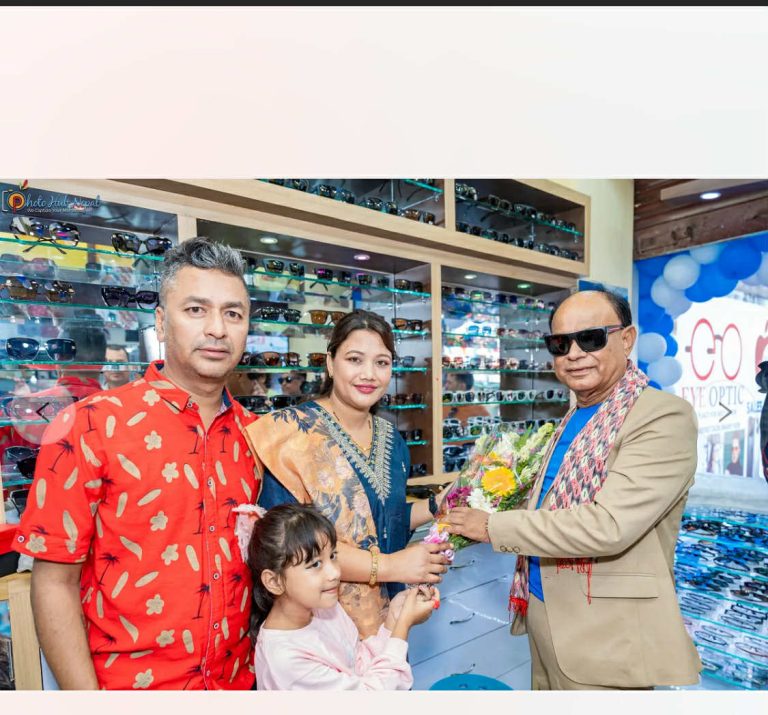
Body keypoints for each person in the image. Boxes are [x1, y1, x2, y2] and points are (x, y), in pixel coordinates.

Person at [13, 237, 260, 690]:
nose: (217, 329)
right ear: (161, 323)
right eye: (196, 310)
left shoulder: (259, 436)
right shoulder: (88, 425)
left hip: (239, 684)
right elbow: (53, 582)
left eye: (233, 314)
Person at [445, 289, 702, 690]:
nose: (575, 354)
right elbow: (547, 502)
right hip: (543, 609)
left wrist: (491, 526)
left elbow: (608, 524)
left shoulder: (662, 416)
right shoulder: (575, 416)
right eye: (560, 344)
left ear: (627, 339)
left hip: (605, 633)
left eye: (591, 338)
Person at [242, 309, 452, 637]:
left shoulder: (393, 440)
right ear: (330, 362)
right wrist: (391, 566)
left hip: (388, 625)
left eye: (381, 362)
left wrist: (440, 504)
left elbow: (388, 520)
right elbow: (285, 549)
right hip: (318, 631)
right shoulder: (292, 436)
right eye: (355, 359)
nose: (369, 374)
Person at [249, 503, 438, 690]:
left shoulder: (323, 608)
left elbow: (358, 663)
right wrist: (403, 624)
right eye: (315, 564)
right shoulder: (286, 661)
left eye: (332, 556)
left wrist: (394, 620)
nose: (335, 573)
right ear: (274, 582)